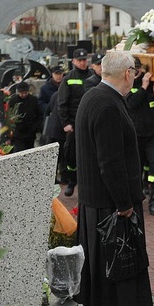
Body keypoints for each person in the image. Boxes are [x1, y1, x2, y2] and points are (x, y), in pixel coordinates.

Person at [74, 51, 153, 306]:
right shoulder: (108, 104)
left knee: (101, 272)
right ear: (128, 73)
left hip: (95, 202)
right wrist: (124, 203)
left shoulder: (93, 96)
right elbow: (110, 161)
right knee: (118, 273)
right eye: (135, 72)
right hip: (110, 206)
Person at [126, 63, 154, 216]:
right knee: (135, 168)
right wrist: (144, 87)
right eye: (135, 69)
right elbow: (131, 103)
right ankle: (135, 200)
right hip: (136, 133)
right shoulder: (129, 83)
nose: (139, 72)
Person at [57, 48, 92, 197]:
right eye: (80, 60)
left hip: (89, 122)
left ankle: (89, 183)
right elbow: (62, 103)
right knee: (71, 154)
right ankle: (72, 181)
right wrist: (66, 123)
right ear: (74, 62)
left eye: (85, 60)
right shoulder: (68, 78)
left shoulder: (93, 76)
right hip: (74, 123)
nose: (83, 63)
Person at [7, 81, 42, 153]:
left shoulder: (33, 100)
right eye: (21, 93)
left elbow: (39, 115)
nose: (23, 95)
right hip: (17, 133)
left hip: (30, 132)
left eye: (25, 92)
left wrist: (35, 127)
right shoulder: (13, 101)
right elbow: (8, 116)